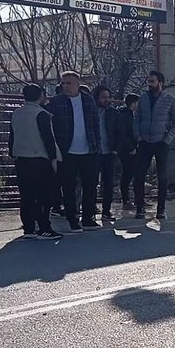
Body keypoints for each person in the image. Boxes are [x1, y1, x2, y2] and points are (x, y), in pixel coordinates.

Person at [47, 71, 100, 231]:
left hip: (88, 150)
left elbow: (95, 123)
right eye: (63, 83)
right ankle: (72, 219)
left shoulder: (88, 100)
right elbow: (50, 126)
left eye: (68, 83)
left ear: (77, 84)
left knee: (90, 185)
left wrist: (97, 145)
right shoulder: (56, 102)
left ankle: (88, 218)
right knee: (68, 187)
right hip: (66, 152)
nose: (65, 86)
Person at [9, 83, 63, 240]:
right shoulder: (42, 114)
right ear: (41, 96)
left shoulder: (16, 113)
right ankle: (44, 228)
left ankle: (28, 228)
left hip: (21, 159)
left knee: (26, 196)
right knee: (44, 196)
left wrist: (13, 152)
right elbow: (48, 138)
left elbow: (12, 136)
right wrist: (53, 158)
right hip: (40, 159)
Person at [135, 70, 175, 220]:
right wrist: (138, 137)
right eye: (148, 81)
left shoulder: (170, 100)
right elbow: (136, 119)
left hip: (161, 143)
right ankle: (140, 208)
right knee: (139, 176)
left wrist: (166, 140)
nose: (149, 84)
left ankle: (161, 209)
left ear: (160, 83)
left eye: (152, 81)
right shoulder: (142, 99)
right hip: (144, 142)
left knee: (162, 178)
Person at [92, 85, 120, 223]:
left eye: (108, 97)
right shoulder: (91, 112)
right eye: (103, 97)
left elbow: (120, 132)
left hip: (109, 152)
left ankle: (106, 211)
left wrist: (115, 148)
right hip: (94, 152)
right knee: (91, 183)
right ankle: (90, 210)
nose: (106, 100)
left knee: (109, 183)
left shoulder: (114, 113)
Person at [111, 94, 141, 218]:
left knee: (131, 173)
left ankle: (130, 199)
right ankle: (126, 200)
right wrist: (131, 148)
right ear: (133, 103)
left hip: (128, 148)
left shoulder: (129, 114)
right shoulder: (125, 115)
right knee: (128, 173)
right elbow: (124, 133)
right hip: (127, 150)